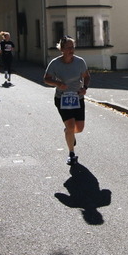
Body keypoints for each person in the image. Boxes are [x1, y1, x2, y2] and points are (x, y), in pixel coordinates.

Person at [43, 36, 90, 166]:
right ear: (62, 49)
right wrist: (58, 84)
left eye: (72, 47)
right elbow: (46, 79)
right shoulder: (55, 63)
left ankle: (69, 133)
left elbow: (87, 76)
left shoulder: (80, 62)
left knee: (79, 128)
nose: (71, 50)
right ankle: (71, 154)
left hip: (77, 98)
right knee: (70, 125)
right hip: (62, 99)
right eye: (68, 48)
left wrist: (84, 88)